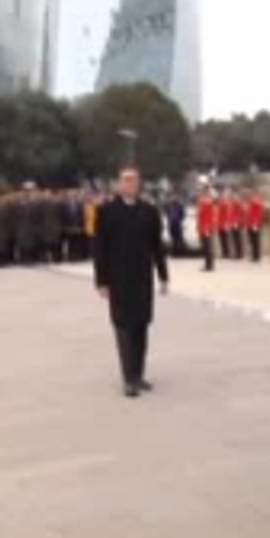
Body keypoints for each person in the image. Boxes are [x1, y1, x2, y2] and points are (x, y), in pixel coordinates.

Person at [94, 166, 170, 399]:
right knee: (124, 328)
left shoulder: (149, 211)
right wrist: (101, 281)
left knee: (141, 327)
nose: (130, 184)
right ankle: (129, 379)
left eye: (134, 180)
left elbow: (157, 247)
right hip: (118, 280)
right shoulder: (107, 212)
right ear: (119, 183)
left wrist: (163, 275)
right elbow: (99, 249)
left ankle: (139, 374)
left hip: (142, 279)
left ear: (139, 183)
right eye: (126, 180)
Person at [196, 184, 217, 272]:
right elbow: (199, 216)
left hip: (206, 227)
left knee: (208, 246)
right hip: (202, 227)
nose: (201, 192)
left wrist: (207, 228)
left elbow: (210, 216)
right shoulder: (201, 201)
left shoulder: (208, 202)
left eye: (202, 190)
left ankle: (209, 265)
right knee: (205, 247)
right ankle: (207, 264)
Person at [164, 192, 187, 258]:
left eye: (175, 196)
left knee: (178, 238)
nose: (173, 198)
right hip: (171, 223)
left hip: (177, 224)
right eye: (172, 197)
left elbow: (183, 214)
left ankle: (179, 252)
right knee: (173, 239)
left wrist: (179, 220)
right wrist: (169, 219)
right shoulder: (168, 205)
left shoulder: (180, 205)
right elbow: (166, 212)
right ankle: (174, 253)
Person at [244, 189, 264, 262]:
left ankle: (256, 256)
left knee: (255, 241)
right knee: (252, 241)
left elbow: (258, 214)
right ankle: (254, 255)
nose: (249, 195)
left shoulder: (257, 202)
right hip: (250, 224)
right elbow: (249, 214)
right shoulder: (250, 202)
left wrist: (255, 223)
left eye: (250, 194)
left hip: (254, 224)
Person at [216, 189, 233, 260]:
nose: (221, 196)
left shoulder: (226, 203)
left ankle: (227, 253)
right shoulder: (220, 203)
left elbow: (227, 215)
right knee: (222, 239)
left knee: (225, 239)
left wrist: (226, 224)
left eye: (222, 195)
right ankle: (224, 253)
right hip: (220, 224)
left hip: (224, 224)